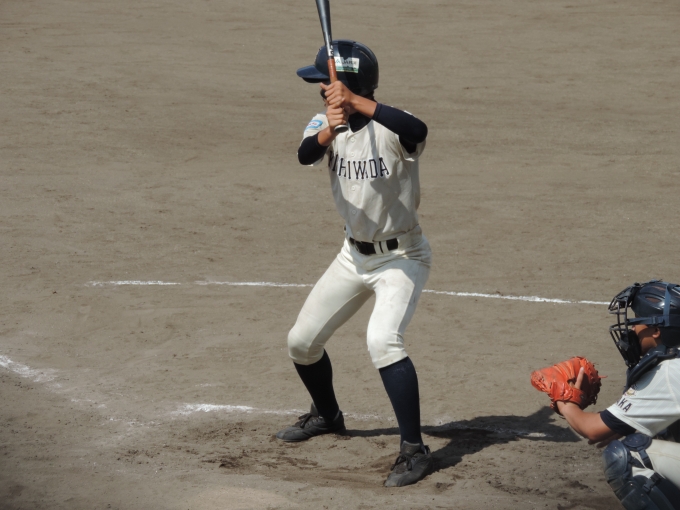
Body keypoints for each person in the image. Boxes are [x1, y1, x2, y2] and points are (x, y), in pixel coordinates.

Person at [275, 39, 433, 487]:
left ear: (346, 84)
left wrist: (358, 102)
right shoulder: (325, 122)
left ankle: (414, 449)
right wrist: (331, 126)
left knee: (383, 342)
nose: (319, 89)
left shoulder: (392, 126)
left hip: (401, 257)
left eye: (325, 82)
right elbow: (305, 154)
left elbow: (418, 128)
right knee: (301, 342)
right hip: (352, 255)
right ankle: (327, 416)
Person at [557, 280, 680, 509]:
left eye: (639, 321)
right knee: (660, 429)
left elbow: (594, 430)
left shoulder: (668, 372)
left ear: (657, 330)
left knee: (629, 456)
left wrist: (565, 402)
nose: (633, 329)